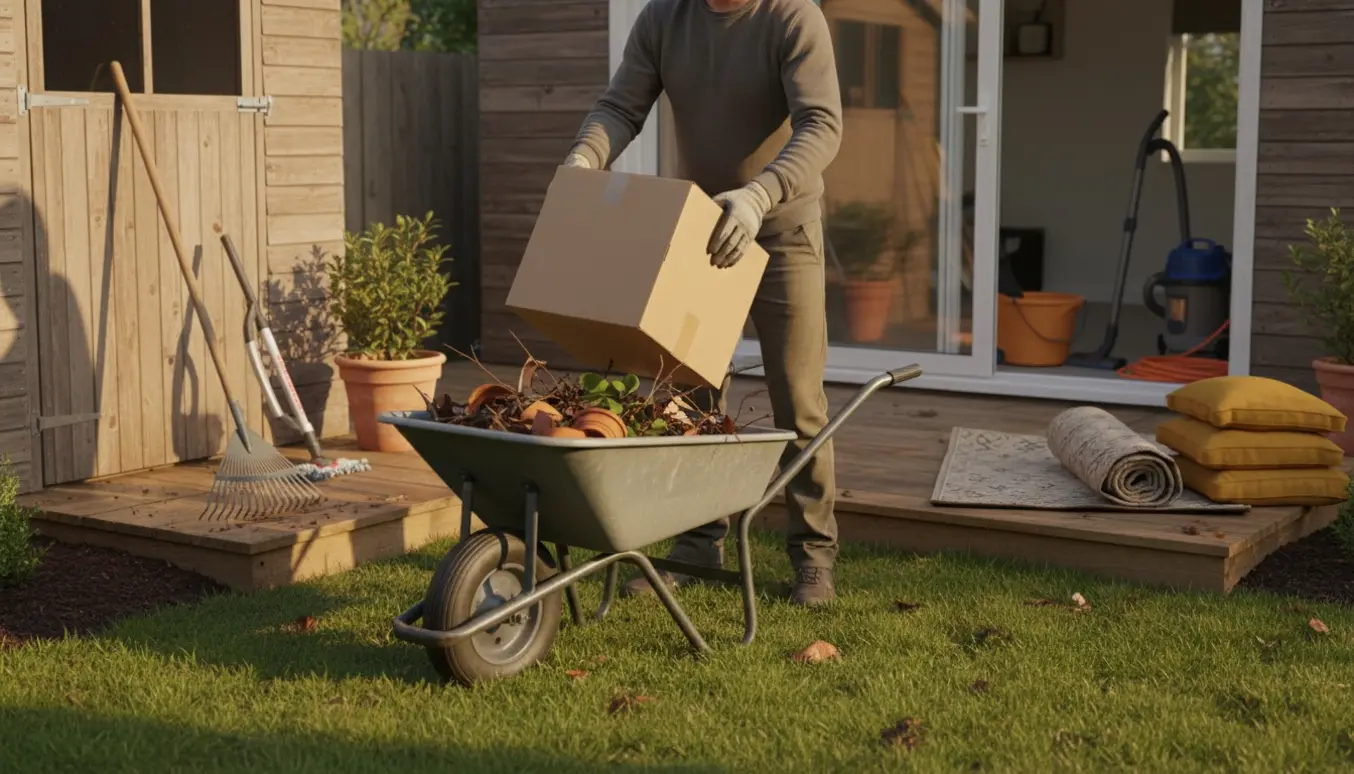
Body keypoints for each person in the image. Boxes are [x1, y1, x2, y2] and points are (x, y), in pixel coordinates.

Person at [561, 0, 844, 606]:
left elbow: (821, 123)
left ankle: (813, 555)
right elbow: (620, 106)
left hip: (783, 229)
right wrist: (585, 157)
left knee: (797, 400)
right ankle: (696, 546)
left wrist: (760, 195)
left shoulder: (793, 17)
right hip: (704, 228)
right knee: (691, 395)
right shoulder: (665, 18)